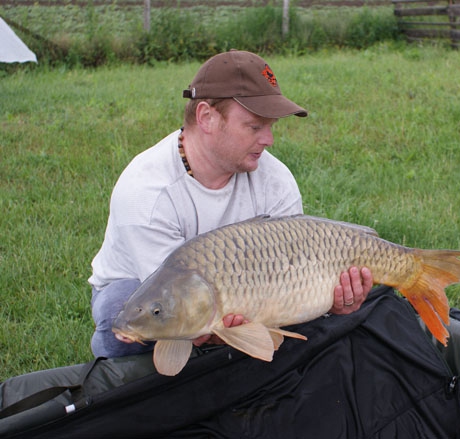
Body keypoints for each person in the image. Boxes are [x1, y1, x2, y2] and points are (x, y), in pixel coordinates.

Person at [89, 50, 373, 358]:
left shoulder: (275, 179)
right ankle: (119, 377)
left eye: (271, 126)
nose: (269, 140)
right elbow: (176, 303)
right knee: (123, 313)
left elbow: (295, 271)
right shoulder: (146, 192)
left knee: (302, 326)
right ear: (206, 117)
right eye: (254, 127)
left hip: (250, 289)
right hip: (153, 290)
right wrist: (218, 332)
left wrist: (332, 300)